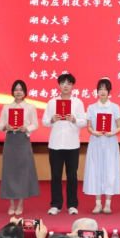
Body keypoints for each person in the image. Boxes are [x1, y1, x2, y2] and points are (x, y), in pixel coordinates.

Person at [42, 73, 88, 216]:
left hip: (72, 144)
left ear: (73, 86)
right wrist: (52, 120)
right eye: (63, 83)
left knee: (72, 176)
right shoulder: (52, 102)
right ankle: (55, 205)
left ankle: (72, 205)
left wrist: (75, 120)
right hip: (55, 144)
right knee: (56, 175)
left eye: (69, 83)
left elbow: (84, 122)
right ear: (59, 85)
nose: (66, 86)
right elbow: (44, 121)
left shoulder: (78, 102)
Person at [0, 80, 40, 216]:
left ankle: (20, 202)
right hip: (10, 140)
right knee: (9, 171)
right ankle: (11, 203)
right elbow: (0, 125)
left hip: (23, 140)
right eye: (16, 89)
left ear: (25, 92)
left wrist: (26, 128)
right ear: (12, 92)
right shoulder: (6, 107)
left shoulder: (30, 107)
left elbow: (35, 124)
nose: (18, 92)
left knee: (23, 172)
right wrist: (5, 127)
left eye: (21, 89)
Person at [84, 78, 120, 215]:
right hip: (96, 142)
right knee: (96, 171)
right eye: (100, 89)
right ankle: (97, 204)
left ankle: (107, 204)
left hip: (110, 142)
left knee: (110, 171)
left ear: (109, 91)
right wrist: (93, 132)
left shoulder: (115, 107)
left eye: (105, 89)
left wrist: (113, 133)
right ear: (97, 91)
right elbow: (89, 126)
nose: (102, 91)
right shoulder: (91, 107)